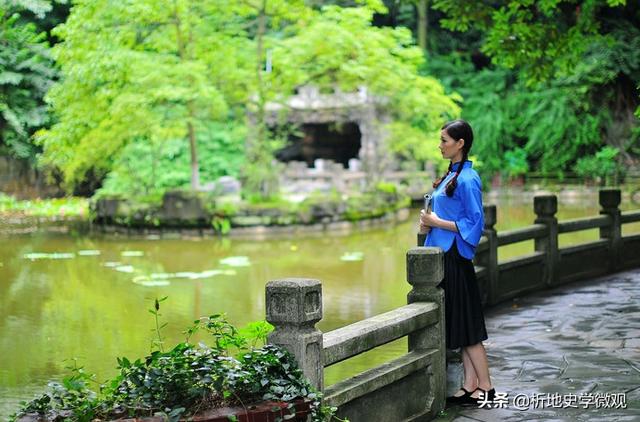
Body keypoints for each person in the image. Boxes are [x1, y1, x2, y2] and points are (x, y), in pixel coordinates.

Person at [419, 119, 495, 406]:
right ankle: (469, 384)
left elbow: (475, 223)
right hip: (442, 253)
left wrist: (437, 221)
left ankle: (486, 388)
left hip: (455, 257)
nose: (440, 145)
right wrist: (428, 224)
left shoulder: (468, 179)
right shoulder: (451, 175)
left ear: (460, 144)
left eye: (444, 141)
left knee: (468, 326)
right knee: (463, 324)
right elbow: (447, 215)